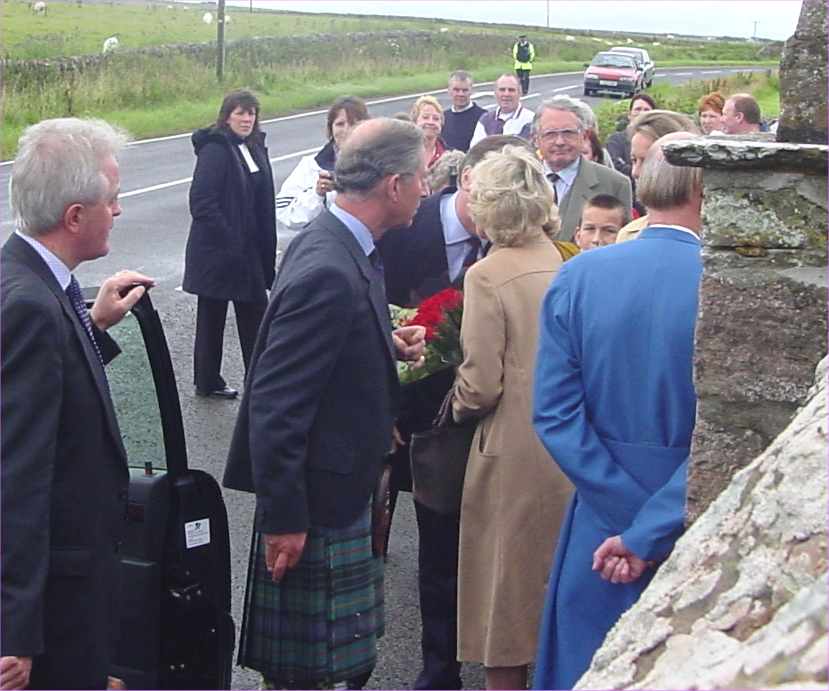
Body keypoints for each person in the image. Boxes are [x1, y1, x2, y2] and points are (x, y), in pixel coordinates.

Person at [222, 118, 428, 691]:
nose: (425, 189)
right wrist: (286, 520)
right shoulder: (329, 268)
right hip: (314, 506)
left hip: (334, 491)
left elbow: (327, 351)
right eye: (420, 178)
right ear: (393, 185)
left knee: (330, 672)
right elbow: (276, 404)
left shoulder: (341, 245)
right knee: (301, 679)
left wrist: (383, 345)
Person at [532, 132, 704, 690]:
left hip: (601, 516)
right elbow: (733, 431)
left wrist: (627, 520)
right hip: (687, 512)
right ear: (704, 187)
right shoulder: (724, 287)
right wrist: (652, 526)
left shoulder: (581, 275)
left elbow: (554, 414)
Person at [1, 117, 155, 690]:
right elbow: (16, 473)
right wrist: (13, 632)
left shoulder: (32, 285)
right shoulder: (30, 308)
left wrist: (91, 324)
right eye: (111, 199)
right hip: (53, 609)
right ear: (74, 216)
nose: (117, 209)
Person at [377, 134, 533, 691]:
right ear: (465, 180)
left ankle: (506, 656)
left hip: (504, 427)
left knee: (503, 549)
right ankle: (439, 666)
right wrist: (385, 408)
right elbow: (376, 322)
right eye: (490, 189)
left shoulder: (521, 249)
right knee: (437, 550)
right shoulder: (405, 229)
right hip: (428, 423)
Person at [452, 145, 572, 691]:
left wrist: (448, 405)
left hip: (510, 452)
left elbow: (480, 385)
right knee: (550, 589)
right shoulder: (563, 264)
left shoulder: (487, 275)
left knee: (504, 602)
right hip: (564, 448)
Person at [183, 89, 276, 399]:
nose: (247, 118)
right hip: (220, 251)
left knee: (254, 316)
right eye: (240, 113)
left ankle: (258, 383)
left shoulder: (254, 146)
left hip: (248, 250)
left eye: (251, 113)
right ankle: (209, 381)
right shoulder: (216, 150)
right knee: (213, 316)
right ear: (227, 116)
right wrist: (230, 239)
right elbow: (202, 202)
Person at [533, 95, 632, 241]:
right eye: (550, 134)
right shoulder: (520, 182)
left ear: (584, 136)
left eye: (568, 133)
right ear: (536, 139)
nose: (560, 141)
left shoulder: (615, 184)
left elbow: (621, 246)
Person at [276, 96, 369, 230]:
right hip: (323, 245)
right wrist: (318, 194)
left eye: (354, 123)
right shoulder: (311, 166)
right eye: (340, 124)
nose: (347, 130)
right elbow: (285, 213)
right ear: (330, 129)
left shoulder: (381, 163)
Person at [615, 110, 699, 243]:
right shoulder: (628, 235)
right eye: (634, 160)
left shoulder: (716, 239)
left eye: (647, 161)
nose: (635, 172)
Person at [469, 74, 535, 147]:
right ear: (495, 93)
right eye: (502, 90)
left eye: (511, 90)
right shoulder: (485, 120)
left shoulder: (531, 120)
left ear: (520, 93)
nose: (506, 94)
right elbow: (475, 151)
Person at [605, 94, 656, 177]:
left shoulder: (659, 140)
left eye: (646, 110)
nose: (642, 113)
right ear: (629, 114)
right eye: (637, 109)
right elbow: (615, 166)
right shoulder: (616, 140)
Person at [442, 70, 487, 152]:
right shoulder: (442, 118)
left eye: (465, 90)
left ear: (471, 91)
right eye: (456, 90)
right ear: (449, 91)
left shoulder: (484, 118)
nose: (461, 94)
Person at [411, 95, 448, 170]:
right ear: (415, 121)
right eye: (425, 117)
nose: (431, 122)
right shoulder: (403, 153)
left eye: (436, 118)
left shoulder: (448, 155)